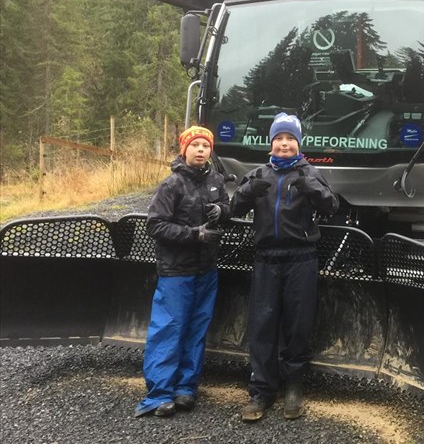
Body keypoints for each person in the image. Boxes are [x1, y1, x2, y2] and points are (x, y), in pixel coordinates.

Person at [231, 112, 339, 422]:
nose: (284, 144)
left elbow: (332, 206)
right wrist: (248, 191)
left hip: (301, 258)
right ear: (271, 143)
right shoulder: (259, 174)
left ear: (298, 144)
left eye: (290, 139)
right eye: (279, 138)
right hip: (266, 259)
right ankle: (262, 391)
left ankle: (294, 387)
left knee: (298, 325)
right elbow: (233, 208)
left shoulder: (310, 173)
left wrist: (312, 189)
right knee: (262, 326)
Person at [134, 126, 229, 418]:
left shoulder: (216, 180)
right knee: (169, 330)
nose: (201, 150)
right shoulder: (171, 185)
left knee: (196, 329)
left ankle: (186, 388)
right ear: (184, 149)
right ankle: (159, 395)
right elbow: (155, 225)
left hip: (206, 270)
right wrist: (194, 234)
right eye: (195, 145)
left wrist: (221, 211)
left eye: (205, 145)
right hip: (177, 271)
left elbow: (227, 207)